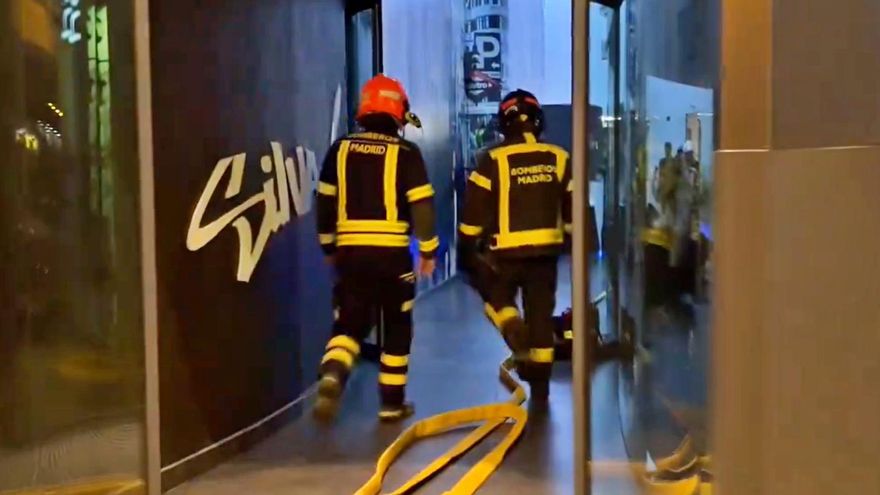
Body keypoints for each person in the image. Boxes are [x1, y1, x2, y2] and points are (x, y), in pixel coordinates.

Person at [314, 74, 437, 422]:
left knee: (350, 323)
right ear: (398, 112)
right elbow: (422, 205)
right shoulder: (407, 153)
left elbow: (324, 203)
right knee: (397, 326)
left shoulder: (339, 150)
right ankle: (391, 404)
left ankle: (333, 374)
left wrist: (329, 247)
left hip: (351, 256)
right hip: (394, 258)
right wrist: (427, 251)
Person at [458, 89, 571, 407]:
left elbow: (472, 218)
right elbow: (575, 211)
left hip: (504, 255)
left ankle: (512, 330)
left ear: (503, 123)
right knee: (541, 318)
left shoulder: (491, 160)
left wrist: (467, 251)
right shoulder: (560, 157)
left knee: (498, 300)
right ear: (538, 121)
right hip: (546, 255)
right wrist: (569, 244)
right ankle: (541, 390)